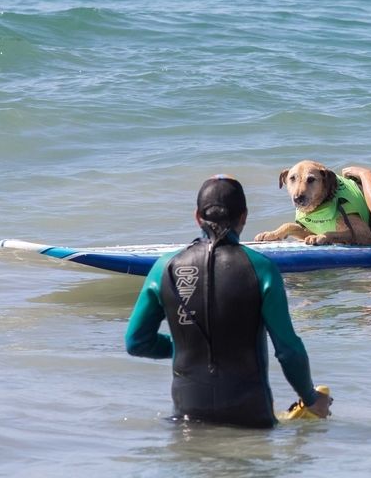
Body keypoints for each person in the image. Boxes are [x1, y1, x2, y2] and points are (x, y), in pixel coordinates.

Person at [125, 175, 331, 427]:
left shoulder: (164, 268)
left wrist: (186, 346)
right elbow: (288, 351)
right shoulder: (262, 269)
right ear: (244, 216)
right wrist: (310, 398)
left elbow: (137, 342)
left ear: (197, 217)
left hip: (187, 421)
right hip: (252, 420)